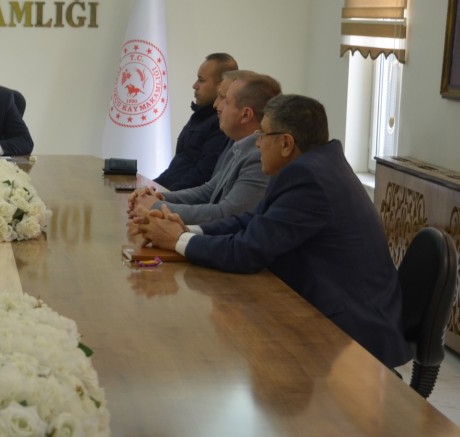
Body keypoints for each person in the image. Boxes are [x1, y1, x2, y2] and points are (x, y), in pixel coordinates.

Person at [132, 94, 411, 368]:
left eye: (262, 134)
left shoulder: (309, 178)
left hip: (350, 335)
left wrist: (177, 240)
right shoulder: (312, 166)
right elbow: (252, 220)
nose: (257, 143)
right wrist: (188, 229)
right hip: (332, 310)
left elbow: (248, 251)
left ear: (286, 143)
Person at [128, 70, 276, 224]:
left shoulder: (258, 157)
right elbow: (208, 191)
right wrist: (160, 197)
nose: (216, 105)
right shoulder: (238, 144)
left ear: (246, 115)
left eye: (225, 101)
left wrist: (156, 206)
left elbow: (226, 214)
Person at [152, 53, 237, 191]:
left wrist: (162, 195)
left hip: (180, 199)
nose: (194, 85)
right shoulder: (200, 115)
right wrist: (150, 187)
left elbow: (201, 176)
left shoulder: (221, 124)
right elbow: (177, 167)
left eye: (201, 80)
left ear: (221, 85)